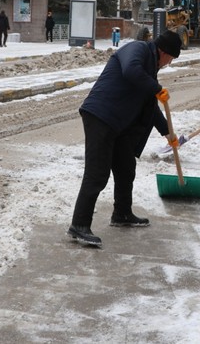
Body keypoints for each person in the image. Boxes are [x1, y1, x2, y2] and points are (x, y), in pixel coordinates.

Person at [68, 30, 183, 248]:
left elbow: (151, 105)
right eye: (171, 58)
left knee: (125, 167)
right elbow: (131, 71)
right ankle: (79, 225)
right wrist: (156, 88)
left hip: (118, 123)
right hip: (100, 116)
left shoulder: (151, 67)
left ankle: (121, 213)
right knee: (97, 174)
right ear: (164, 51)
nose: (169, 63)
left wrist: (168, 133)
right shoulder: (137, 49)